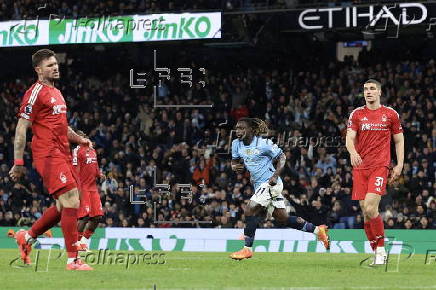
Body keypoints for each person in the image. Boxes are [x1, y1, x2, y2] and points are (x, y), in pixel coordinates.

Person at [8, 49, 94, 270]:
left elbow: (62, 127)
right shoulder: (34, 93)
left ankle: (27, 237)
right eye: (49, 65)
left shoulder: (56, 93)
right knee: (72, 200)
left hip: (62, 152)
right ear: (38, 69)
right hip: (47, 154)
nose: (55, 67)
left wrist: (79, 140)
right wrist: (18, 162)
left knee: (61, 205)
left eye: (56, 64)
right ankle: (73, 260)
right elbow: (21, 128)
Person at [229, 118, 330, 260]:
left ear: (251, 130)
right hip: (259, 186)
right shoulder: (236, 144)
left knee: (249, 209)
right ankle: (317, 230)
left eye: (242, 128)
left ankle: (247, 249)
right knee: (283, 218)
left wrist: (275, 175)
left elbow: (282, 157)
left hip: (271, 183)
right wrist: (234, 166)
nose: (238, 131)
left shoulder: (263, 143)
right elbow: (235, 162)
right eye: (237, 128)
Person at [346, 79, 404, 265]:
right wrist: (353, 152)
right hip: (360, 167)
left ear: (379, 92)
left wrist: (400, 164)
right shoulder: (357, 114)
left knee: (371, 207)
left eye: (372, 89)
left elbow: (399, 140)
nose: (368, 92)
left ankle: (381, 251)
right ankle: (376, 250)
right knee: (365, 210)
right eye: (365, 89)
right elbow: (349, 138)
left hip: (380, 166)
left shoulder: (390, 114)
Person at [72, 130, 105, 251]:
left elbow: (95, 168)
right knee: (84, 217)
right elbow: (74, 170)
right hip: (83, 188)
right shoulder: (76, 150)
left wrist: (99, 175)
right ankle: (75, 244)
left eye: (82, 136)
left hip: (93, 188)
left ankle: (84, 242)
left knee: (97, 217)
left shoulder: (92, 150)